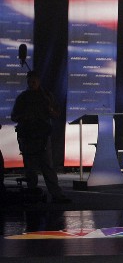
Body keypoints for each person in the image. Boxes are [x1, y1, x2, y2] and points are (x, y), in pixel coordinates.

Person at [11, 71, 70, 203]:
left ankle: (56, 194)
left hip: (42, 136)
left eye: (33, 82)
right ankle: (32, 193)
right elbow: (14, 116)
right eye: (29, 82)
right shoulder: (23, 97)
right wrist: (25, 117)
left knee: (47, 166)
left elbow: (56, 114)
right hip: (27, 136)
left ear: (38, 81)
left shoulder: (46, 96)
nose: (31, 84)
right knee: (30, 168)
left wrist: (50, 110)